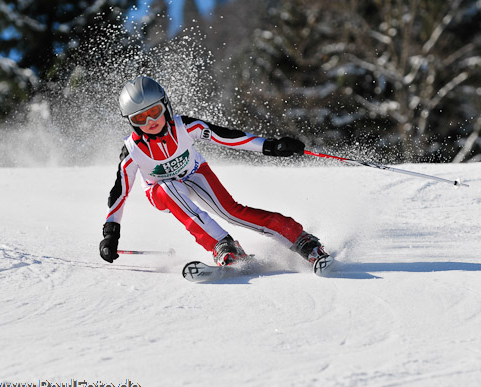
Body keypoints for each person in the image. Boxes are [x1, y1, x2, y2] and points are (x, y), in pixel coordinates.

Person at [100, 76, 332, 273]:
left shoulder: (185, 127)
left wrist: (271, 146)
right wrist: (111, 233)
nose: (150, 122)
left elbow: (229, 137)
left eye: (154, 112)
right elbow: (119, 193)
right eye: (140, 118)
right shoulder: (132, 151)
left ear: (165, 106)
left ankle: (300, 239)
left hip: (194, 173)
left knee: (232, 212)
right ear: (131, 123)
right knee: (170, 188)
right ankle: (222, 244)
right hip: (160, 190)